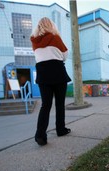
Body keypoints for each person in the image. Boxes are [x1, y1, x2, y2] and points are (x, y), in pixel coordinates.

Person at [30, 17, 71, 146]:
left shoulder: (35, 42)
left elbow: (38, 56)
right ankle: (60, 129)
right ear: (51, 25)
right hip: (58, 72)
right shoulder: (55, 38)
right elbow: (65, 55)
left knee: (45, 105)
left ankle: (40, 135)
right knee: (60, 104)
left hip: (43, 74)